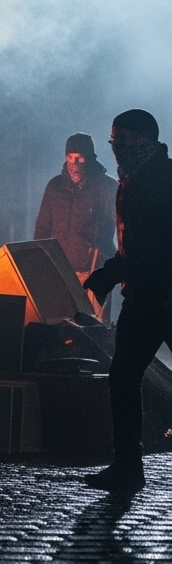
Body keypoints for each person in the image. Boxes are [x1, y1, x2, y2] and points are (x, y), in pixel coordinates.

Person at [83, 110, 172, 494]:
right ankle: (126, 465)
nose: (117, 148)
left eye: (123, 141)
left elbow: (151, 248)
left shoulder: (161, 179)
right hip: (143, 296)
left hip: (162, 295)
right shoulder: (132, 181)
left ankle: (127, 466)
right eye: (113, 141)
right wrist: (113, 274)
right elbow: (134, 246)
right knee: (123, 378)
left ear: (142, 140)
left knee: (124, 378)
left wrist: (109, 274)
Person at [34, 132, 118, 279]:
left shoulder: (107, 187)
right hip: (60, 271)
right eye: (70, 158)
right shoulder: (55, 187)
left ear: (90, 158)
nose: (74, 163)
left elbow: (121, 226)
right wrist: (39, 261)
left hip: (95, 273)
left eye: (79, 158)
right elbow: (43, 227)